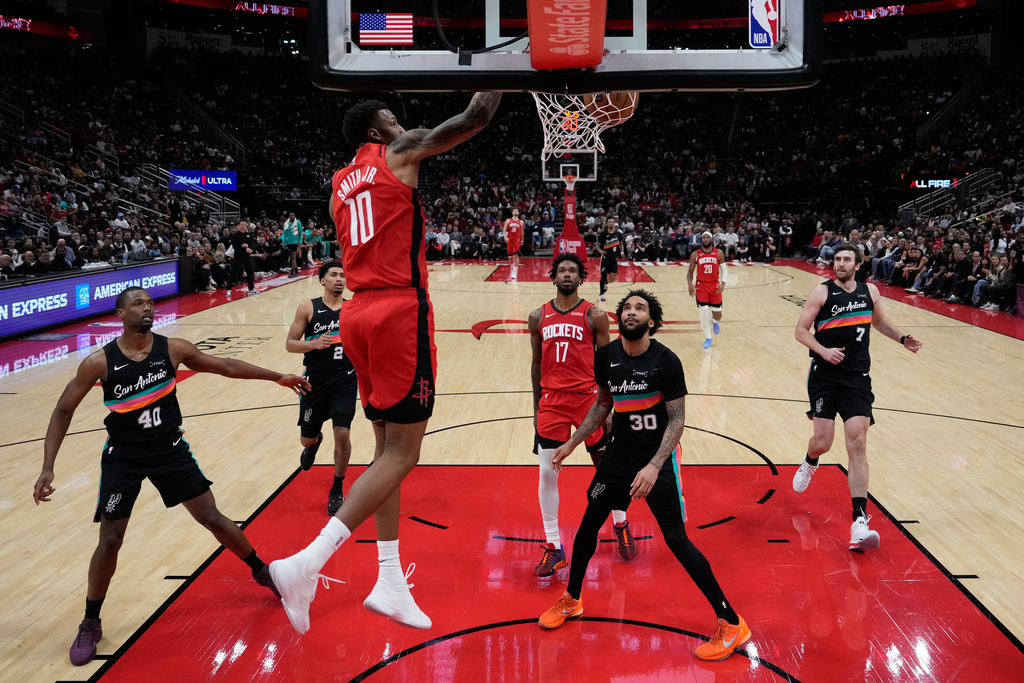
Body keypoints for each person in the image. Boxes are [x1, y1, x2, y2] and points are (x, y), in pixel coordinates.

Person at [270, 93, 502, 634]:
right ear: (378, 130)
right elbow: (476, 118)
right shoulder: (398, 150)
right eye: (393, 119)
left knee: (382, 451)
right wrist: (503, 66)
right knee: (403, 453)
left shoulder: (337, 186)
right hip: (399, 308)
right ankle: (306, 565)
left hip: (355, 314)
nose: (404, 124)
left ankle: (390, 580)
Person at [32, 287, 310, 667]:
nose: (147, 308)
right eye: (138, 304)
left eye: (150, 303)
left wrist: (277, 376)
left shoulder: (173, 348)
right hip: (124, 459)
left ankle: (262, 572)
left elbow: (226, 365)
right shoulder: (99, 362)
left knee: (212, 517)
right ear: (120, 313)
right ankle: (91, 621)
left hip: (170, 451)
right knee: (110, 540)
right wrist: (49, 465)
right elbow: (63, 410)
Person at [538, 290, 751, 662]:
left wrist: (654, 466)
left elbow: (677, 419)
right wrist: (573, 442)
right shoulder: (605, 357)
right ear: (620, 318)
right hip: (618, 457)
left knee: (676, 540)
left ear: (652, 321)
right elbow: (604, 403)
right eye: (627, 308)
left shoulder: (666, 361)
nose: (632, 312)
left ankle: (732, 622)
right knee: (588, 526)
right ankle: (572, 600)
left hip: (657, 458)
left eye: (641, 308)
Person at [792, 244, 922, 550]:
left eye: (846, 259)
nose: (839, 263)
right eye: (837, 259)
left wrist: (902, 338)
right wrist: (823, 350)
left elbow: (879, 322)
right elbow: (800, 330)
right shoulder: (821, 292)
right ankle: (811, 460)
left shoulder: (870, 292)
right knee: (823, 442)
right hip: (824, 376)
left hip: (857, 378)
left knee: (857, 442)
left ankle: (859, 521)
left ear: (858, 264)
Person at [528, 253, 634, 578]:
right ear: (553, 276)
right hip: (552, 402)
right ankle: (553, 546)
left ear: (581, 277)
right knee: (548, 473)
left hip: (589, 400)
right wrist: (535, 408)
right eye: (562, 270)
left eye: (573, 270)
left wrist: (611, 406)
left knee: (606, 468)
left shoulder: (596, 315)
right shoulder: (537, 316)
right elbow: (535, 364)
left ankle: (621, 523)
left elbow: (608, 365)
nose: (567, 274)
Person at [285, 261, 357, 515]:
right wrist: (313, 345)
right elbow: (291, 344)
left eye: (343, 276)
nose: (340, 279)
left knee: (343, 434)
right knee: (307, 438)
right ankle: (314, 444)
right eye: (334, 275)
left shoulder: (353, 309)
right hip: (314, 381)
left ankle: (337, 489)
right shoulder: (308, 307)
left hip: (345, 378)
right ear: (322, 280)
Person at [687, 231, 727, 349]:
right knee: (703, 312)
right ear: (701, 240)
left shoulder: (719, 253)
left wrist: (723, 283)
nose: (705, 239)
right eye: (703, 237)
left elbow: (724, 271)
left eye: (707, 237)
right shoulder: (695, 254)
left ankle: (715, 321)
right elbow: (690, 272)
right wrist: (690, 283)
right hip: (701, 286)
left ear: (711, 239)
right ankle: (708, 338)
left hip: (715, 286)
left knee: (718, 315)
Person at [597, 217, 624, 302]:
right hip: (605, 258)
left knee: (613, 278)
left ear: (614, 223)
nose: (611, 223)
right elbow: (597, 245)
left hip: (614, 259)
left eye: (612, 222)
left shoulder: (618, 234)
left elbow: (620, 244)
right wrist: (601, 251)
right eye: (609, 222)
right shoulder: (603, 234)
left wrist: (622, 252)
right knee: (603, 276)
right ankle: (601, 294)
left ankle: (606, 283)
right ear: (607, 224)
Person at [504, 208, 524, 282]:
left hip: (517, 240)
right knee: (510, 257)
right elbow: (504, 230)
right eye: (514, 211)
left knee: (516, 255)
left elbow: (522, 231)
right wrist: (505, 237)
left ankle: (515, 272)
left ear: (518, 213)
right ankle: (512, 268)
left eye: (517, 211)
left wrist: (522, 239)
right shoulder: (508, 220)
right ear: (512, 212)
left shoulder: (521, 222)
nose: (515, 212)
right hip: (510, 240)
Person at [282, 212, 302, 277]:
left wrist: (300, 242)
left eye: (293, 215)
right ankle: (296, 270)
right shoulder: (286, 224)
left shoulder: (298, 223)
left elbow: (300, 234)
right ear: (289, 216)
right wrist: (283, 242)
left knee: (293, 257)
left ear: (295, 216)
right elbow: (284, 233)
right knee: (293, 257)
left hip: (295, 242)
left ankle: (292, 271)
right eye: (290, 215)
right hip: (289, 242)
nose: (292, 216)